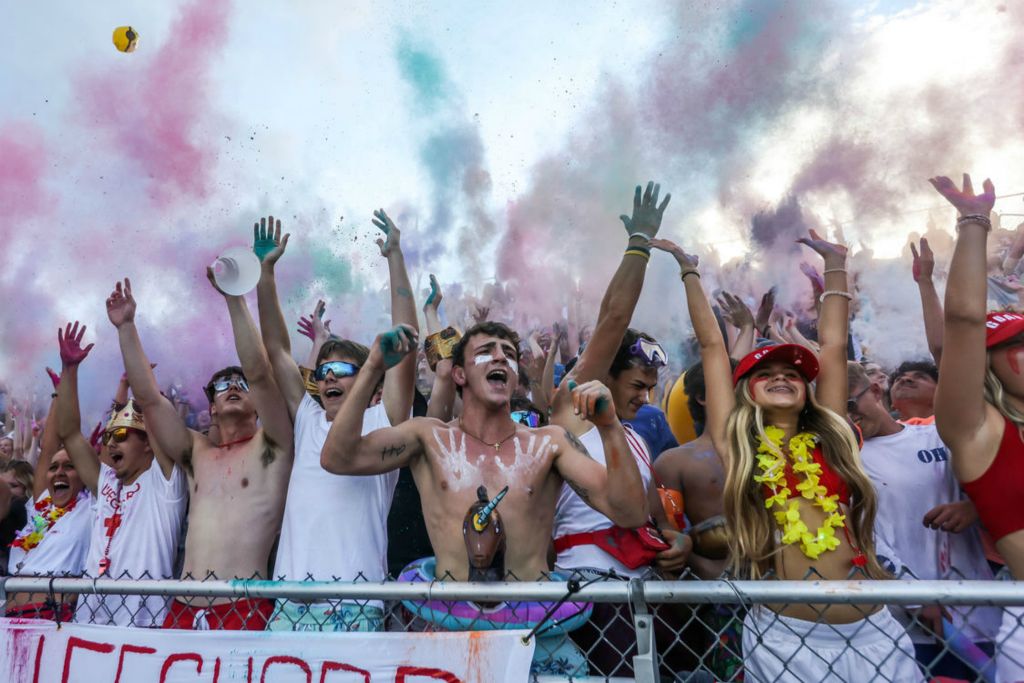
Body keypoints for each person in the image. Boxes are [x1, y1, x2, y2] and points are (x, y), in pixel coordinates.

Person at [662, 231, 924, 682]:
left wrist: (837, 265)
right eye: (766, 373)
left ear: (808, 392)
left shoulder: (831, 441)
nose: (781, 377)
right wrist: (689, 272)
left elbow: (836, 348)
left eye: (792, 373)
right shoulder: (740, 446)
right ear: (746, 390)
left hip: (876, 634)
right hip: (787, 640)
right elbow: (711, 349)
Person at [321, 320, 648, 583]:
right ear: (459, 374)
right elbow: (339, 458)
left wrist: (610, 427)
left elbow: (630, 513)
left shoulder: (550, 443)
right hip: (452, 625)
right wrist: (373, 367)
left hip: (531, 630)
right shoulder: (428, 437)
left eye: (508, 353)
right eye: (487, 351)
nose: (500, 358)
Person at [254, 212, 418, 632]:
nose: (329, 376)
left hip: (358, 604)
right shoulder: (308, 416)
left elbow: (408, 343)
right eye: (324, 371)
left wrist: (395, 257)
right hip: (290, 605)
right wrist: (266, 274)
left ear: (371, 385)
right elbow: (275, 348)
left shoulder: (384, 420)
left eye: (344, 371)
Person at [105, 270, 293, 630]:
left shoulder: (274, 444)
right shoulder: (196, 451)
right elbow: (148, 399)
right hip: (182, 609)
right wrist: (126, 327)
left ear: (259, 405)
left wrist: (233, 296)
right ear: (212, 409)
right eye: (222, 385)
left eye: (240, 384)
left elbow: (258, 371)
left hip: (243, 609)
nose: (233, 387)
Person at [928, 173, 1024, 682]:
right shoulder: (979, 434)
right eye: (1020, 343)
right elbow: (964, 320)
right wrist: (973, 223)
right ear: (988, 365)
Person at [847, 361, 999, 678]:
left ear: (875, 390)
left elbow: (1001, 479)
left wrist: (973, 506)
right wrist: (914, 597)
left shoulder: (937, 434)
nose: (848, 417)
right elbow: (865, 539)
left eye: (850, 404)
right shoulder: (848, 463)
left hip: (980, 613)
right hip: (910, 627)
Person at [53, 321, 188, 628]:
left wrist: (126, 329)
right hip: (89, 623)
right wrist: (69, 371)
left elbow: (156, 415)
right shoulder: (105, 481)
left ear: (149, 445)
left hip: (143, 628)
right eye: (110, 436)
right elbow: (70, 434)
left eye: (124, 434)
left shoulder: (164, 482)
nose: (112, 442)